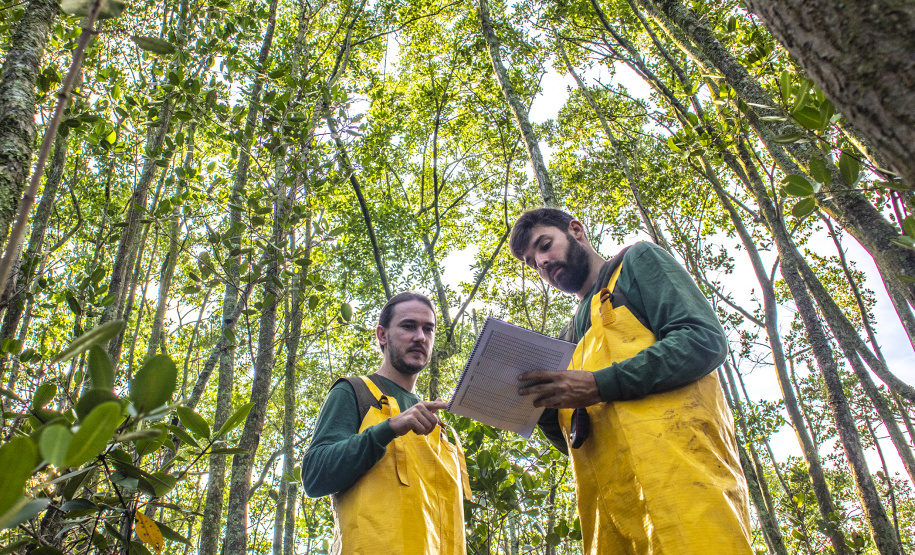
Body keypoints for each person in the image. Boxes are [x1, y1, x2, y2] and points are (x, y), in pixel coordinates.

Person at [509, 208, 752, 554]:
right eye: (533, 263)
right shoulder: (565, 340)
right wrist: (538, 409)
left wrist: (599, 384)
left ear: (576, 230)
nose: (543, 263)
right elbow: (578, 439)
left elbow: (702, 340)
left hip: (683, 483)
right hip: (607, 516)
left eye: (545, 246)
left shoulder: (636, 263)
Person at [302, 291, 472, 555]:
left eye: (428, 329)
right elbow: (315, 477)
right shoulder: (355, 392)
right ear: (382, 335)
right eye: (408, 326)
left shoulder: (437, 425)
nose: (420, 336)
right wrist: (388, 429)